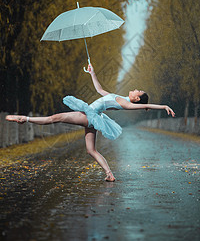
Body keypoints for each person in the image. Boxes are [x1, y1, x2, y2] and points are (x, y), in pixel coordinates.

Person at [6, 64, 175, 182]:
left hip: (90, 115)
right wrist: (92, 73)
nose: (134, 89)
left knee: (55, 118)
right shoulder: (121, 97)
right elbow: (100, 91)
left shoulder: (126, 103)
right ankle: (109, 174)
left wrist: (163, 106)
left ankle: (25, 119)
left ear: (136, 98)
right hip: (94, 118)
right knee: (91, 150)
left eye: (137, 91)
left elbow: (145, 106)